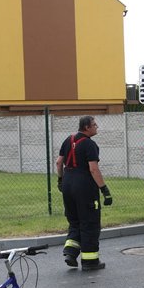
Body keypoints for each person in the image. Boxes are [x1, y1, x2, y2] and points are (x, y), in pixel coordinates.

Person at [56, 116, 112, 271]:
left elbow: (59, 162)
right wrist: (104, 189)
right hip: (84, 187)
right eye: (94, 125)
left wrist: (60, 180)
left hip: (67, 184)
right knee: (89, 223)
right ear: (87, 127)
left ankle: (71, 252)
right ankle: (90, 261)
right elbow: (93, 169)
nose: (97, 127)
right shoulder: (89, 144)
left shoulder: (68, 140)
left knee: (74, 221)